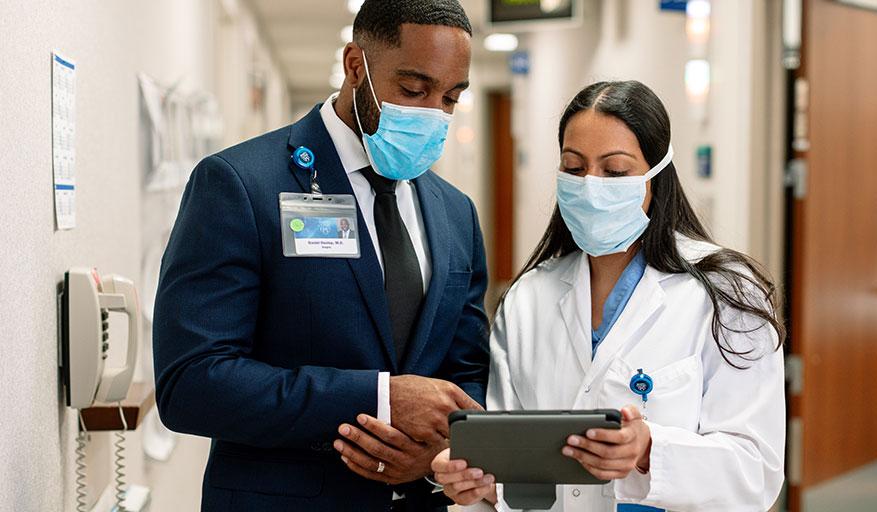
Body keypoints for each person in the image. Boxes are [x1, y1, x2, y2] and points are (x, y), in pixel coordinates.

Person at [152, 1, 489, 510]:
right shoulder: (242, 184)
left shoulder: (455, 212)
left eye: (450, 98)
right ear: (355, 66)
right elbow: (191, 383)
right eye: (413, 89)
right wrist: (379, 399)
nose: (432, 113)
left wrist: (440, 454)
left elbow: (468, 370)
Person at [431, 81, 786, 511]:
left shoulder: (725, 293)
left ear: (656, 176)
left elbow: (756, 472)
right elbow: (512, 466)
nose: (590, 186)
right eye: (574, 167)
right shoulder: (529, 298)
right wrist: (478, 481)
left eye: (615, 171)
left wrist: (649, 450)